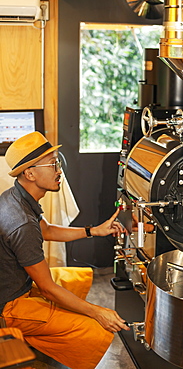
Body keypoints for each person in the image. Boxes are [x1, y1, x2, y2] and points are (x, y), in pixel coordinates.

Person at [0, 131, 130, 369]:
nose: (59, 170)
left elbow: (47, 230)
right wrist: (98, 312)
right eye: (53, 164)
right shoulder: (22, 224)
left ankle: (44, 345)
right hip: (8, 307)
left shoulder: (15, 197)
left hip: (16, 287)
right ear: (30, 173)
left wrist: (94, 230)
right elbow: (48, 289)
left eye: (58, 162)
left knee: (75, 279)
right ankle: (22, 349)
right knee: (92, 329)